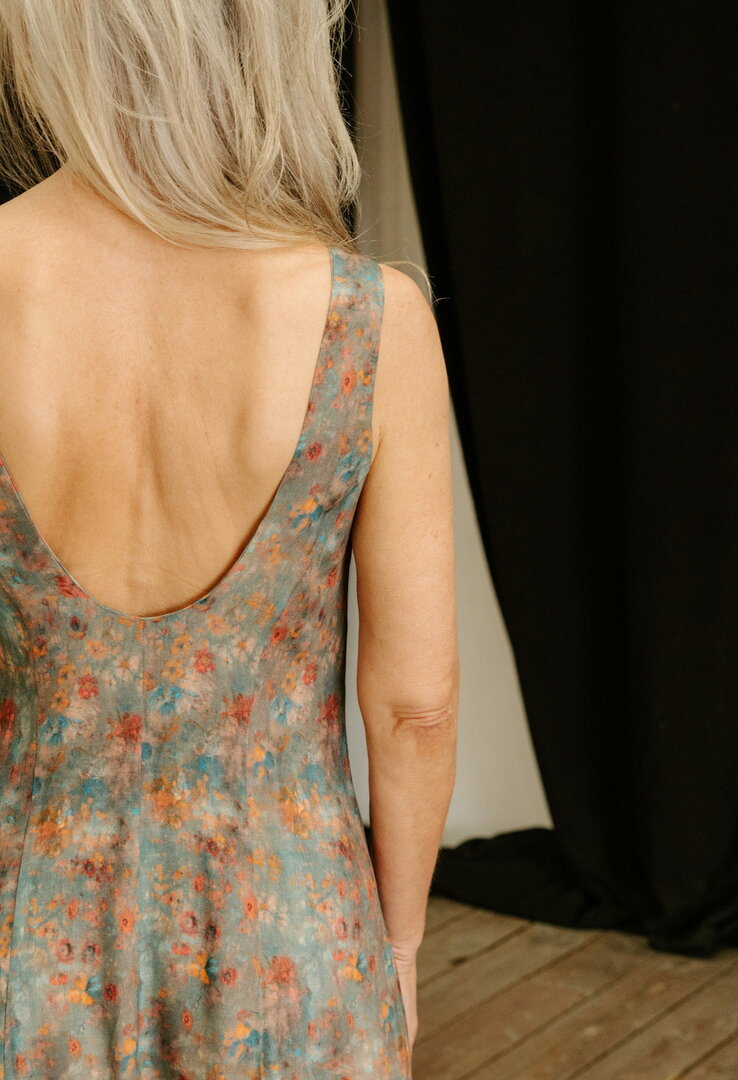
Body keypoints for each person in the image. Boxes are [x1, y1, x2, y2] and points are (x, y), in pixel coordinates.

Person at [0, 1, 459, 1076]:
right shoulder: (366, 319)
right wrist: (395, 951)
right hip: (290, 941)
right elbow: (414, 709)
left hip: (26, 930)